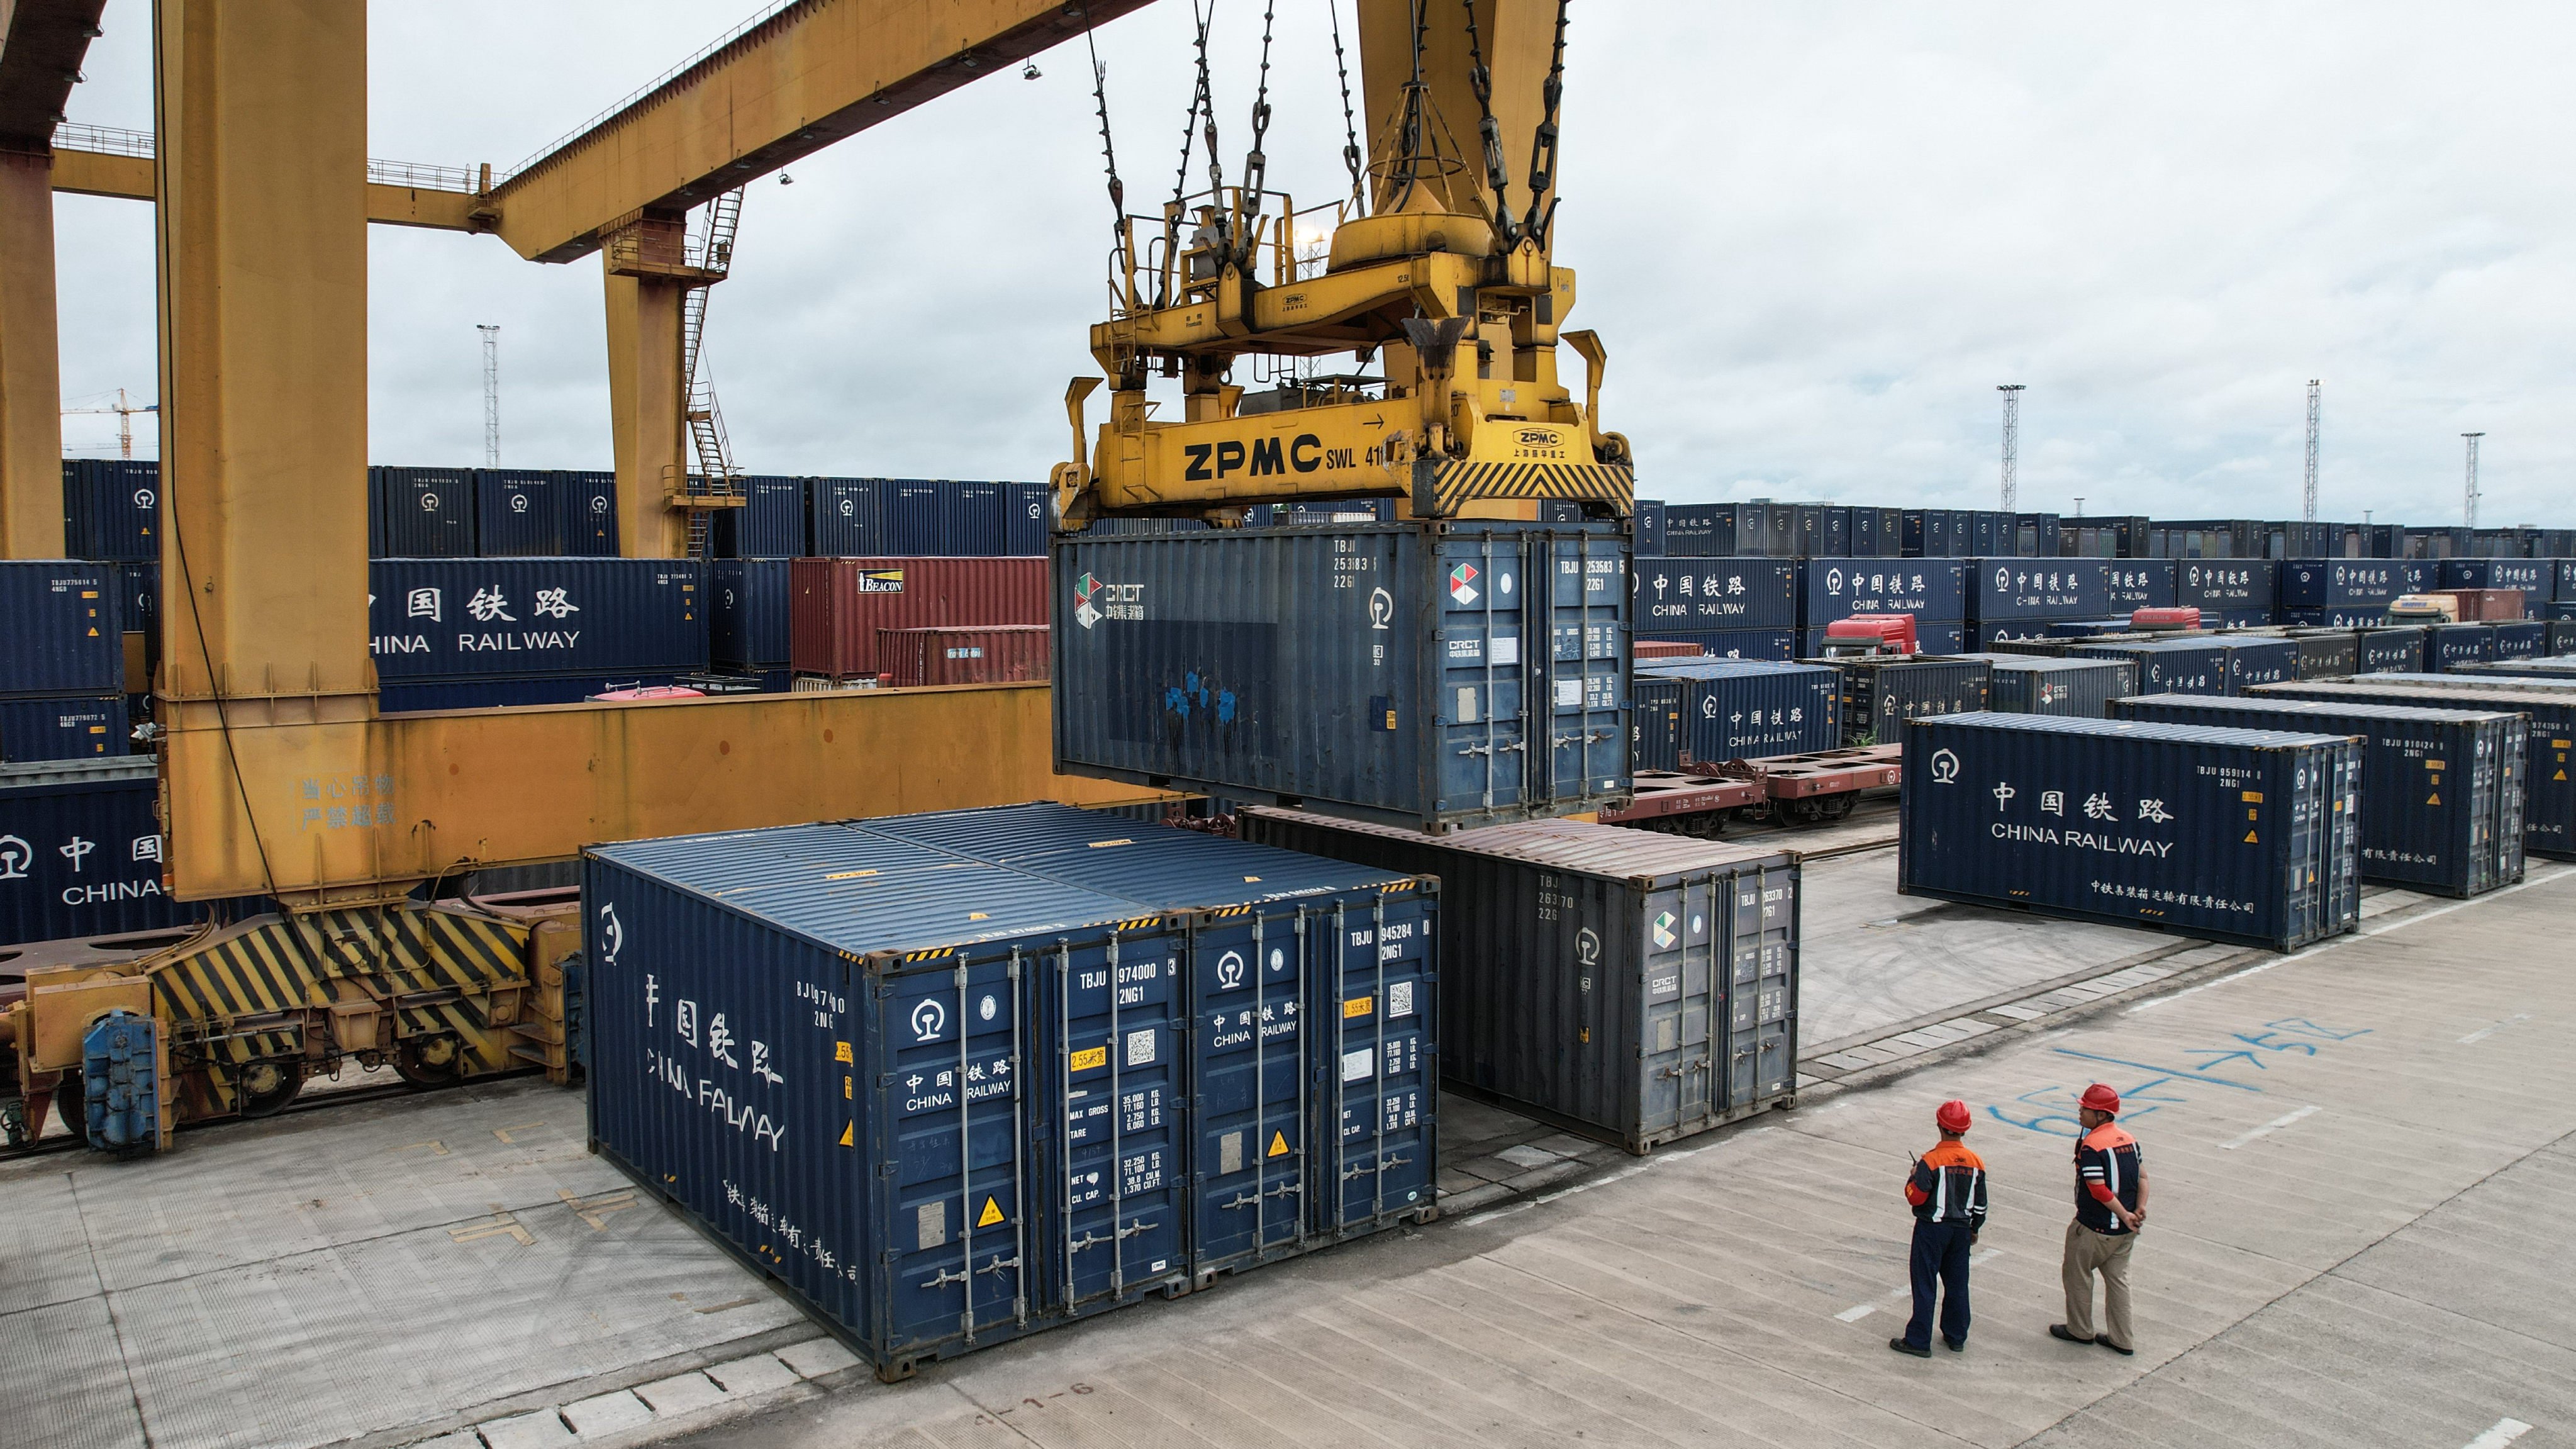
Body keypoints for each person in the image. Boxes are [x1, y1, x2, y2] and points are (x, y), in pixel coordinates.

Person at [2053, 1082, 2146, 1356]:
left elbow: (2098, 1189)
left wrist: (2124, 1214)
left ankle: (2080, 1330)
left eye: (2087, 1109)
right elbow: (2143, 1177)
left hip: (2094, 1228)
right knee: (2119, 1280)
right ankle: (2122, 1339)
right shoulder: (2129, 1139)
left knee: (2077, 1275)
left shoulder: (2092, 1146)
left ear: (2102, 1115)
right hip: (2124, 1233)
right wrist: (2138, 1210)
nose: (2081, 1112)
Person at [1890, 1099, 1987, 1358]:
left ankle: (1919, 1340)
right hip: (1961, 1231)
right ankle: (1956, 1336)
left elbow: (1916, 1197)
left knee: (1925, 1283)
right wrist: (1974, 1229)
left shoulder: (1930, 1162)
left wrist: (1913, 1176)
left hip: (1932, 1230)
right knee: (1957, 1283)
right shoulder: (1976, 1162)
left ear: (1940, 1126)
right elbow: (1981, 1206)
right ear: (1965, 1129)